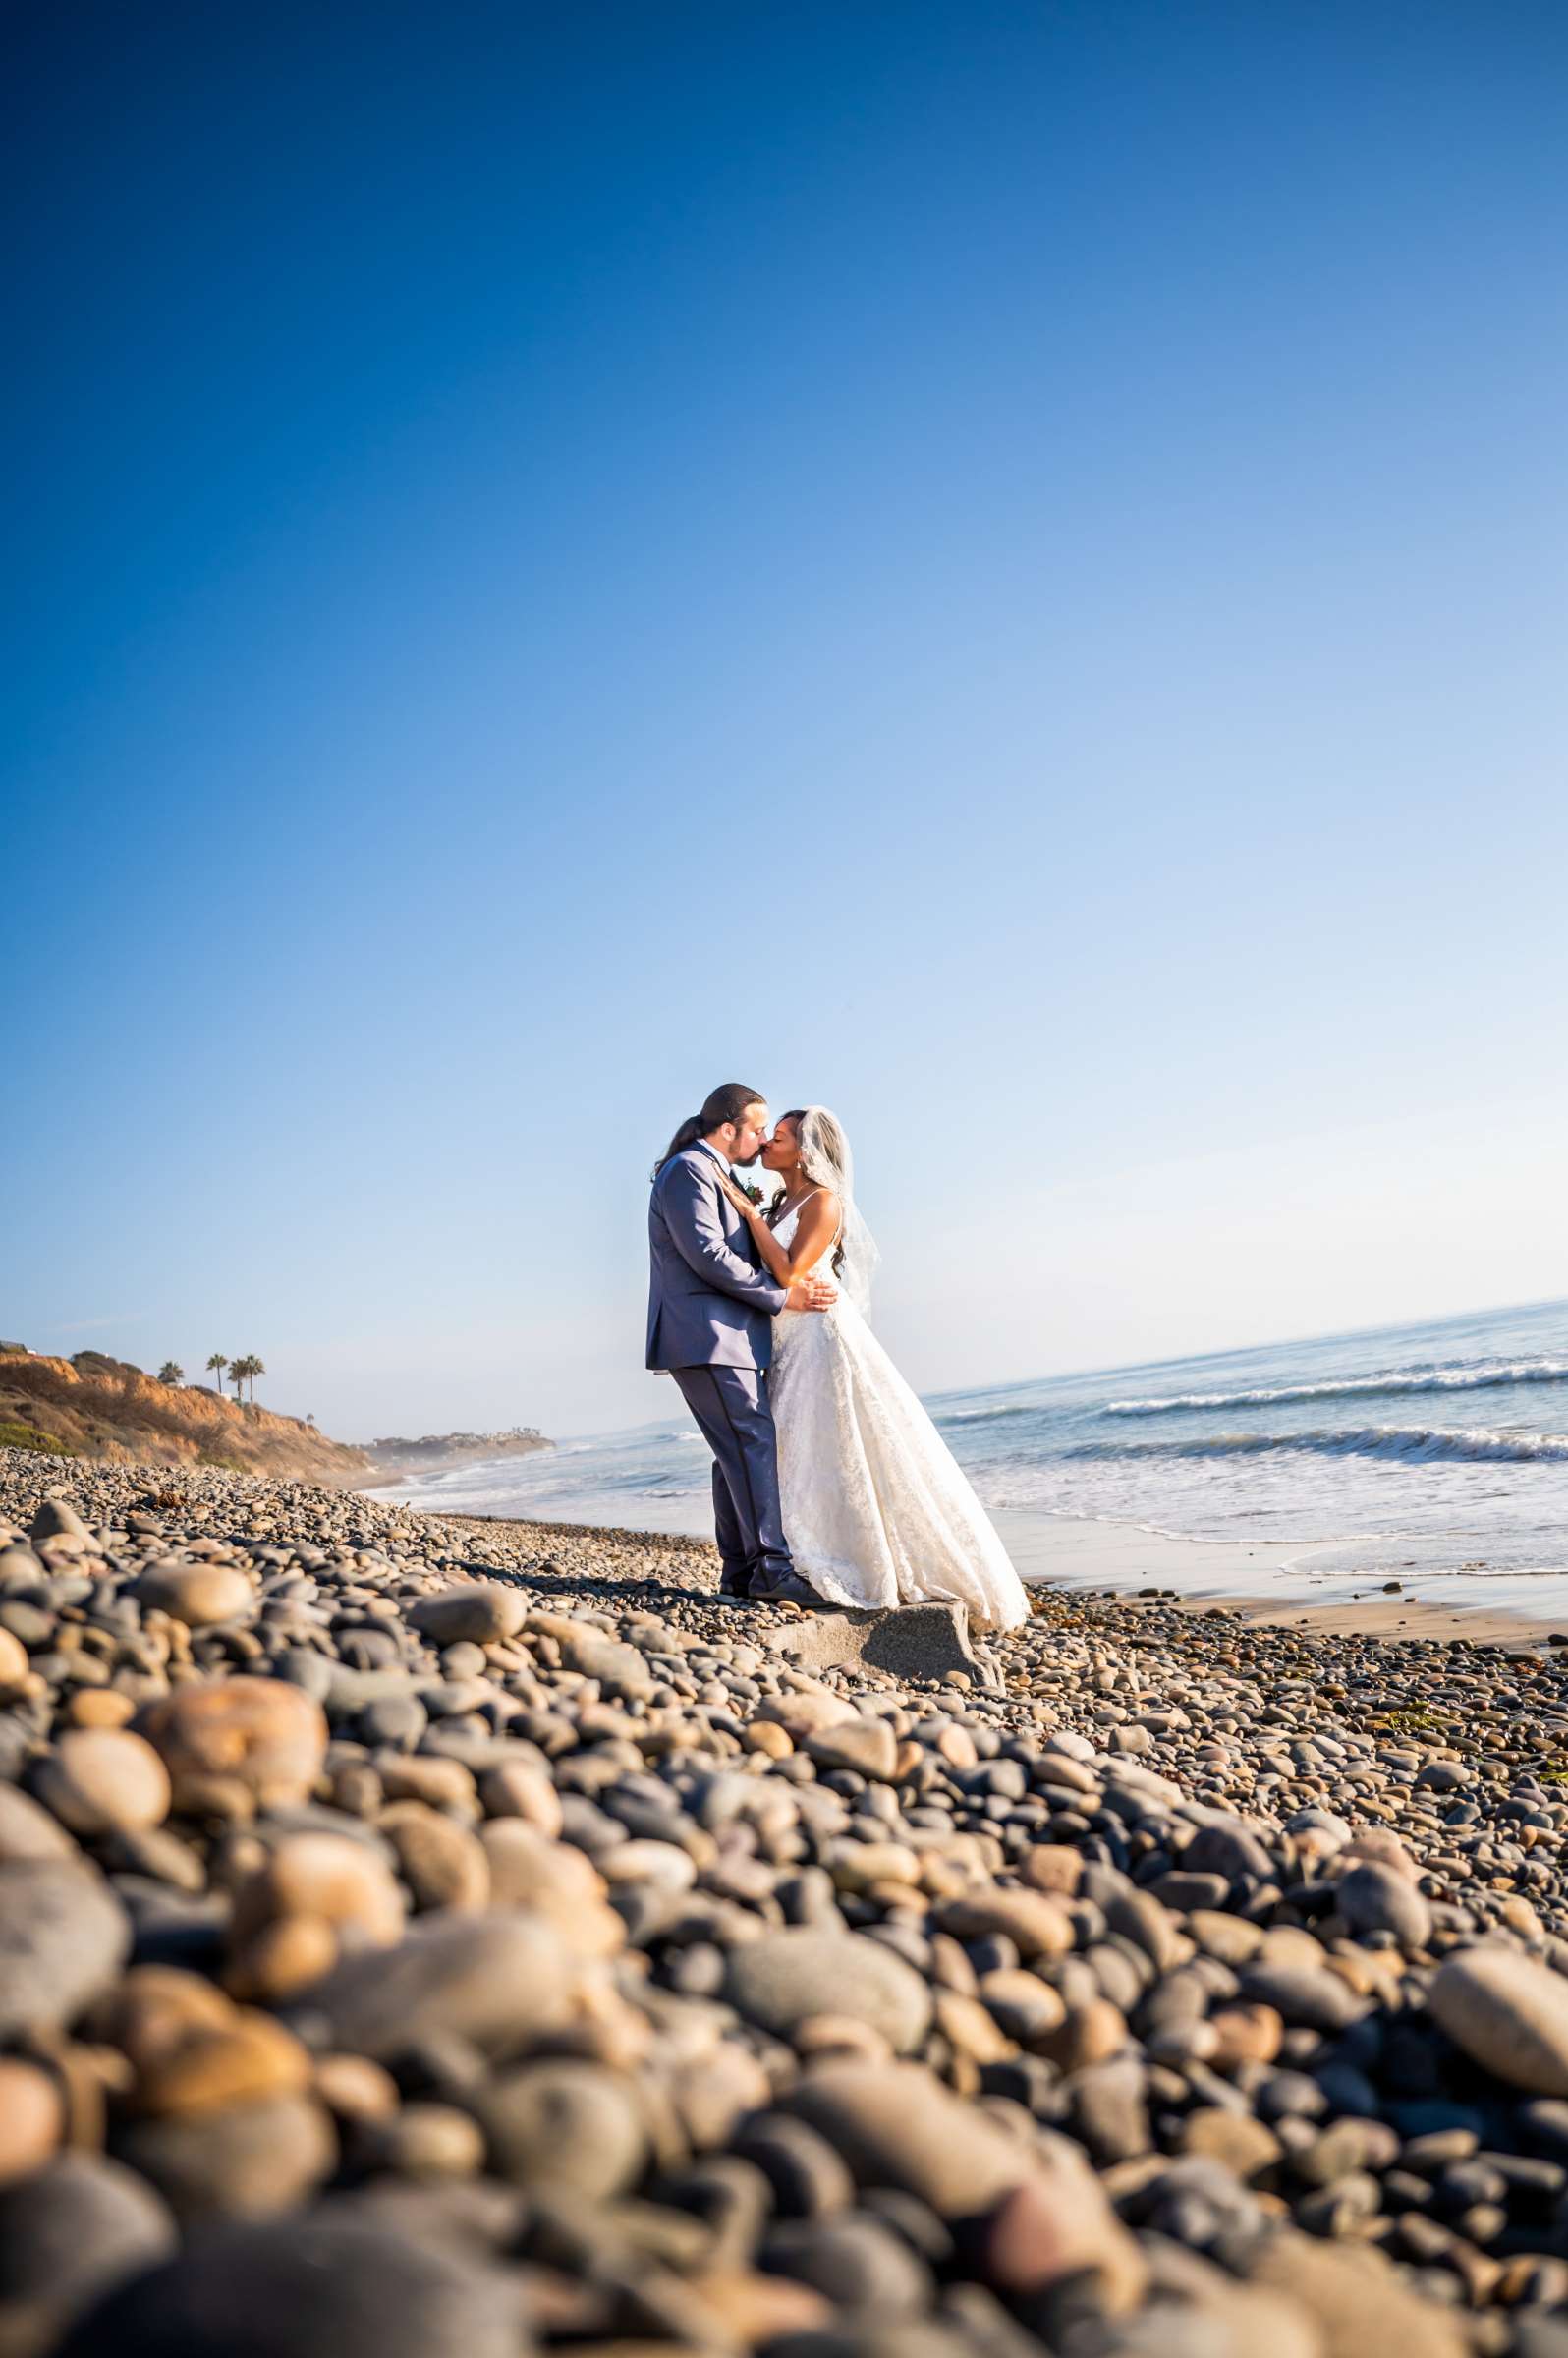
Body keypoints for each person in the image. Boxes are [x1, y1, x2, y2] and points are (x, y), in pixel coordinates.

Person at [716, 1107, 1031, 1631]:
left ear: (807, 1151)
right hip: (790, 1336)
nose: (769, 1142)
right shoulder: (784, 1200)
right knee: (802, 1445)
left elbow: (791, 1270)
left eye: (781, 1136)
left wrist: (750, 1217)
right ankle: (791, 1555)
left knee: (834, 1442)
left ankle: (835, 1559)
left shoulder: (825, 1202)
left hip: (820, 1336)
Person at [646, 1083, 835, 1603]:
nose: (761, 1140)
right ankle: (771, 1571)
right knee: (750, 1443)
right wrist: (781, 1297)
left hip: (723, 1335)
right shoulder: (689, 1169)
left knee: (733, 1452)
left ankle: (741, 1572)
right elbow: (706, 1253)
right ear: (727, 1129)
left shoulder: (714, 1172)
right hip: (708, 1335)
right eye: (757, 1130)